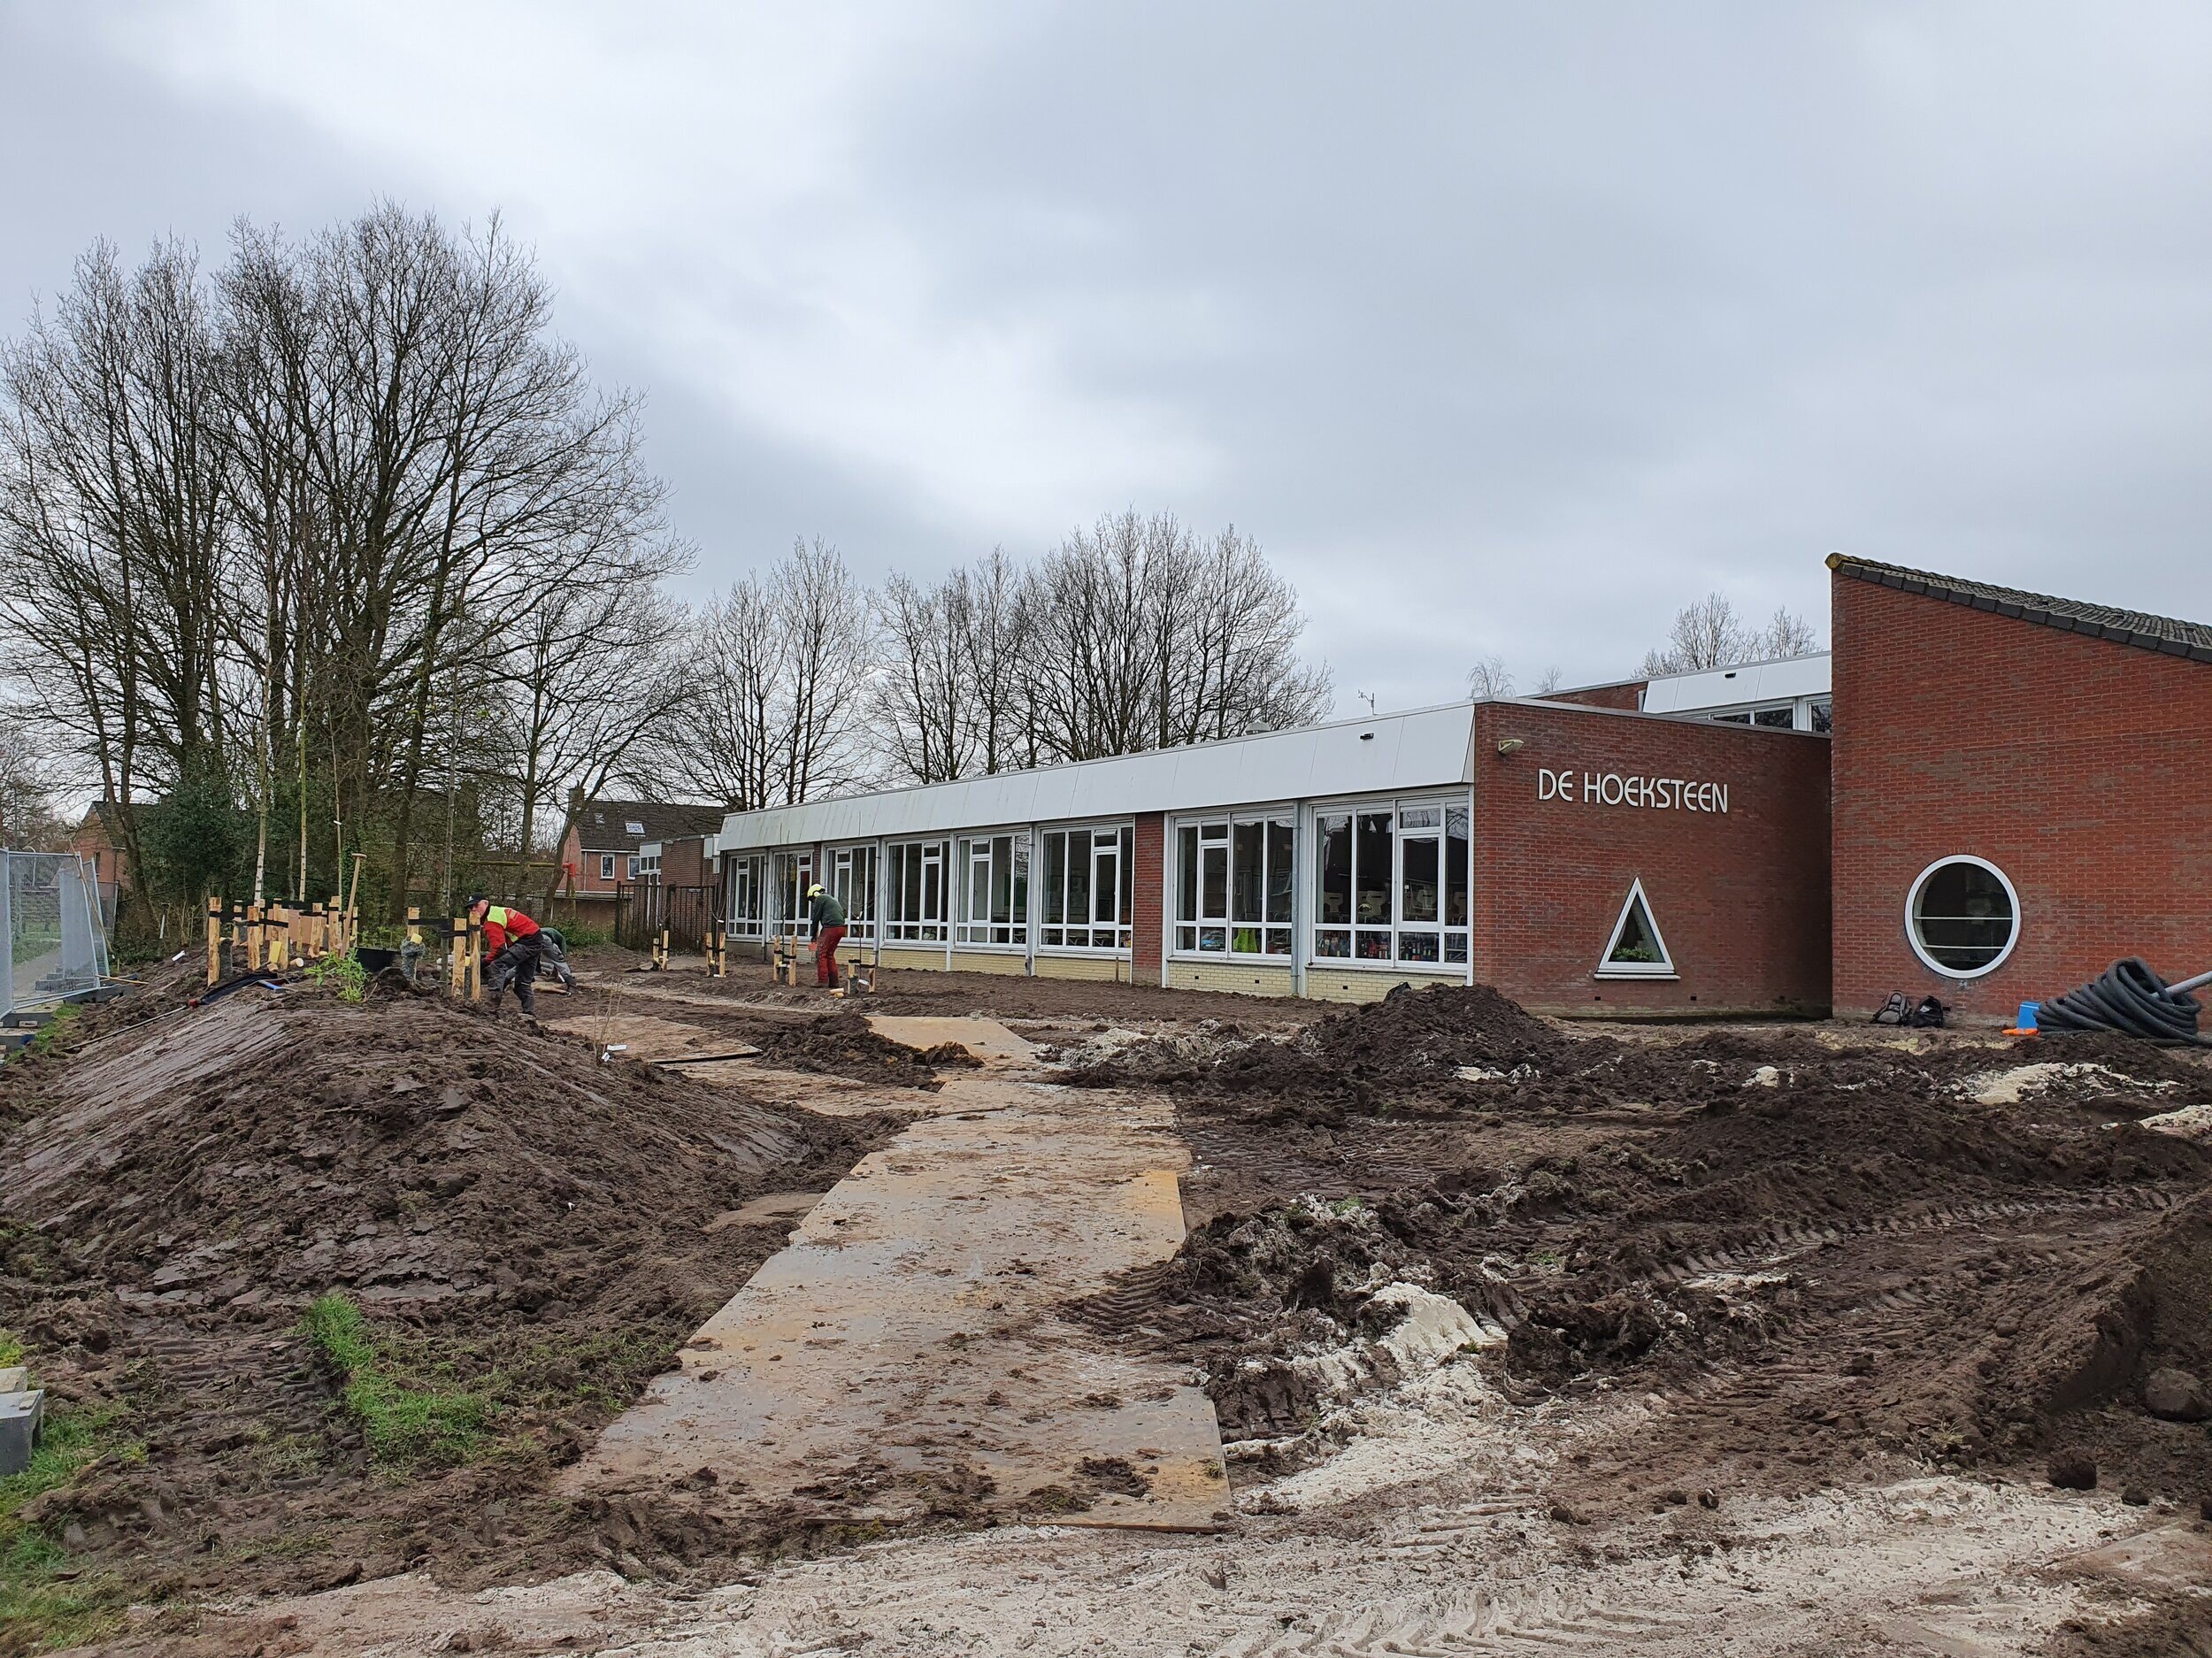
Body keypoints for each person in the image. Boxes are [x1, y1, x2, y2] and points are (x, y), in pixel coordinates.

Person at [467, 895, 543, 1017]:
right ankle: (529, 1013)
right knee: (522, 983)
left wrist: (485, 962)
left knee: (497, 966)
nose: (473, 909)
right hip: (535, 940)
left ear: (486, 903)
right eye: (471, 907)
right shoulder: (496, 912)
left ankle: (492, 1006)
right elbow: (503, 946)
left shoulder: (492, 919)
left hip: (527, 941)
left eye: (476, 905)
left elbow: (499, 949)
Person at [807, 882, 847, 988]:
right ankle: (834, 982)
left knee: (821, 953)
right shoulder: (830, 898)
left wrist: (813, 936)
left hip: (830, 929)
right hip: (841, 928)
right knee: (829, 954)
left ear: (815, 894)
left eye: (812, 899)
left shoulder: (820, 899)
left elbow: (816, 918)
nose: (813, 902)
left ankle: (822, 981)